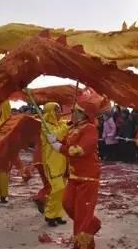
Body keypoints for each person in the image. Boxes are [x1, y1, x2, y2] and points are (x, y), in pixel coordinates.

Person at [48, 104, 101, 249]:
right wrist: (54, 140)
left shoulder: (90, 128)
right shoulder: (72, 129)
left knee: (82, 211)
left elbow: (79, 150)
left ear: (83, 114)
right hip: (74, 175)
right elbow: (63, 144)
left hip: (88, 176)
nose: (72, 113)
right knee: (68, 204)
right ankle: (93, 223)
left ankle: (83, 244)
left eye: (74, 111)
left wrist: (59, 147)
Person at [40, 102, 69, 227]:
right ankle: (49, 214)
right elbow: (55, 136)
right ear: (50, 112)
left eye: (59, 110)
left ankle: (58, 214)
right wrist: (67, 127)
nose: (59, 112)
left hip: (63, 161)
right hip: (51, 162)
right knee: (58, 188)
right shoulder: (45, 126)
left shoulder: (62, 123)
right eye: (56, 110)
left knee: (63, 191)